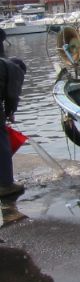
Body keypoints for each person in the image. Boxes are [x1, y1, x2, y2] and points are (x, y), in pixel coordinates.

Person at [0, 56, 27, 197]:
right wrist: (10, 112)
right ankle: (6, 184)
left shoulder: (4, 65)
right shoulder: (16, 70)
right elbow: (12, 95)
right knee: (2, 142)